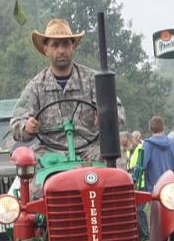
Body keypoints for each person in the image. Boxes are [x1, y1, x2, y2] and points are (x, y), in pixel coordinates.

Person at [10, 18, 124, 164]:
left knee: (117, 165)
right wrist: (27, 127)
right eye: (55, 45)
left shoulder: (93, 80)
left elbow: (118, 111)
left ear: (73, 47)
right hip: (50, 152)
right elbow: (15, 125)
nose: (61, 50)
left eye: (65, 44)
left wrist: (106, 115)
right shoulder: (36, 86)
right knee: (29, 173)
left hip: (90, 150)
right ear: (46, 50)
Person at [140, 116, 174, 192]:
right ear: (163, 128)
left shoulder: (147, 145)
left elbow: (142, 166)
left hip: (155, 191)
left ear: (150, 128)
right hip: (173, 189)